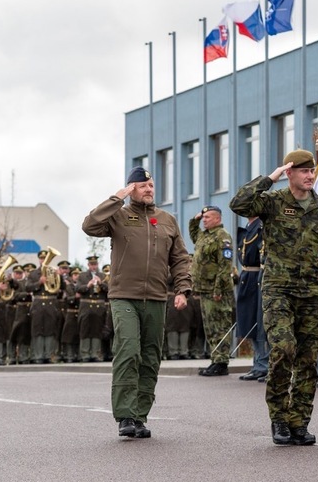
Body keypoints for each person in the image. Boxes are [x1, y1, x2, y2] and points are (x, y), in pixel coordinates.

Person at [230, 150, 318, 446]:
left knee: (307, 359)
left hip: (309, 292)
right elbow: (239, 203)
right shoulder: (273, 202)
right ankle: (278, 417)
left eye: (311, 171)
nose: (309, 176)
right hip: (277, 291)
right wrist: (270, 178)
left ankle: (299, 421)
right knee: (284, 349)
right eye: (302, 171)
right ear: (289, 173)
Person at [82, 166, 192, 439]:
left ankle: (140, 416)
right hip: (124, 296)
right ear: (132, 189)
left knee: (151, 357)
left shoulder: (167, 219)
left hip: (156, 297)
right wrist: (116, 198)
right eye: (143, 186)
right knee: (129, 351)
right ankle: (125, 416)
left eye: (151, 186)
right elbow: (89, 225)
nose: (149, 190)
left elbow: (179, 258)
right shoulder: (119, 216)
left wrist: (182, 289)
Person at [190, 205, 237, 377]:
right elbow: (193, 234)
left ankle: (221, 362)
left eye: (207, 217)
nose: (204, 220)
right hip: (204, 289)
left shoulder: (223, 237)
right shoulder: (204, 236)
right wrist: (194, 220)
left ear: (217, 218)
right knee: (210, 327)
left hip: (217, 290)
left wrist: (218, 289)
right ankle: (215, 359)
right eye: (203, 218)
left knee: (220, 326)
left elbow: (225, 267)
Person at [236, 214, 268, 381]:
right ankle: (258, 363)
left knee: (259, 323)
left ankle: (263, 364)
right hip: (247, 277)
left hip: (257, 277)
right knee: (249, 322)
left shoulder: (261, 227)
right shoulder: (249, 229)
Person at [75, 255, 109, 362]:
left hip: (99, 306)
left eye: (95, 264)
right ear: (88, 265)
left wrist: (101, 283)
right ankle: (85, 354)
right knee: (85, 329)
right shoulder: (82, 276)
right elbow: (78, 288)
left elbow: (109, 289)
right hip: (86, 305)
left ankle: (96, 353)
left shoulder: (103, 275)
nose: (94, 267)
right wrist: (88, 285)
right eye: (92, 265)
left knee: (97, 330)